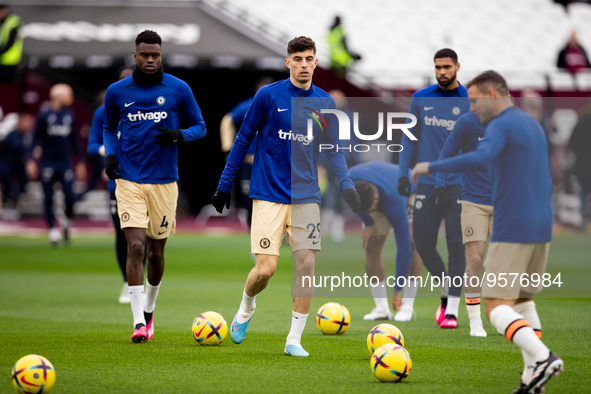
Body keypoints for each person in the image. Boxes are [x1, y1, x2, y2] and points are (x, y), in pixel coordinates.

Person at [412, 70, 564, 394]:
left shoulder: (501, 125)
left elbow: (481, 156)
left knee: (495, 306)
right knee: (523, 302)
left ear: (493, 95)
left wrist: (430, 167)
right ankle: (530, 381)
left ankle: (542, 356)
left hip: (514, 225)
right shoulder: (531, 123)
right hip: (541, 225)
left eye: (476, 101)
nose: (472, 109)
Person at [211, 36, 361, 357]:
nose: (304, 64)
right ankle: (247, 307)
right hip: (268, 193)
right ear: (288, 62)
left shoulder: (325, 103)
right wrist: (225, 183)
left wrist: (347, 185)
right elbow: (242, 138)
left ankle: (294, 339)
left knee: (306, 266)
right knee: (265, 269)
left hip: (307, 196)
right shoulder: (268, 96)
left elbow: (333, 152)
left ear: (316, 62)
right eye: (298, 59)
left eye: (309, 59)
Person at [103, 30, 207, 342]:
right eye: (145, 55)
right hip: (129, 181)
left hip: (164, 182)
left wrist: (179, 135)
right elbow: (109, 127)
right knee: (136, 247)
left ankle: (149, 309)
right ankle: (137, 322)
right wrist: (110, 157)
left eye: (155, 55)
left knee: (157, 253)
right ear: (135, 56)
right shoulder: (117, 92)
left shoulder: (178, 88)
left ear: (161, 56)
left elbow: (200, 127)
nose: (150, 60)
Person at [397, 48, 469, 329]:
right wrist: (403, 173)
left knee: (456, 245)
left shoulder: (469, 100)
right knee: (424, 244)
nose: (442, 72)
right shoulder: (420, 98)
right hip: (425, 184)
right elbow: (409, 139)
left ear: (457, 67)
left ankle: (452, 309)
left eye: (447, 67)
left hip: (458, 185)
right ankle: (445, 289)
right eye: (438, 67)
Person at [88, 65, 146, 304]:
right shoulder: (104, 112)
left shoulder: (149, 108)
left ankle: (145, 286)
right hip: (118, 183)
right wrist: (109, 154)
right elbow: (93, 144)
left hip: (148, 182)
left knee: (149, 239)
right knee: (124, 236)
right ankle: (127, 283)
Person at [436, 110, 491, 337]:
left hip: (506, 200)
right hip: (473, 201)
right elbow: (446, 153)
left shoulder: (513, 122)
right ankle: (475, 322)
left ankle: (500, 313)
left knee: (500, 261)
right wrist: (440, 184)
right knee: (474, 259)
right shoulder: (467, 121)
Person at [349, 161, 420, 321]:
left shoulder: (393, 201)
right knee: (372, 245)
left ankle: (407, 305)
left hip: (410, 189)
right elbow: (354, 204)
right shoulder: (346, 184)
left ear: (376, 198)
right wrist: (369, 223)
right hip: (377, 186)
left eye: (372, 209)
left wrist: (397, 290)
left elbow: (404, 249)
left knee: (411, 239)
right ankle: (382, 308)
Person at [28, 84, 86, 246]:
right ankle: (53, 231)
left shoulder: (70, 115)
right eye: (69, 95)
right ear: (58, 96)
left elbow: (75, 140)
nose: (71, 98)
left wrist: (80, 162)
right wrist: (31, 160)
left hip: (65, 163)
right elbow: (34, 139)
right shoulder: (44, 115)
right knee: (48, 198)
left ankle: (66, 223)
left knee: (70, 197)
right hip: (47, 162)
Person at [219, 77, 273, 224]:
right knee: (248, 201)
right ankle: (253, 234)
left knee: (271, 200)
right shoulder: (248, 106)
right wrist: (227, 147)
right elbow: (227, 120)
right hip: (249, 163)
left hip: (270, 165)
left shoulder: (280, 107)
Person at [0, 113, 33, 216]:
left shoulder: (27, 136)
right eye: (26, 122)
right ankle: (9, 197)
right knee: (5, 173)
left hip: (19, 164)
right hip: (6, 163)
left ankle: (15, 196)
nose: (28, 125)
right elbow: (19, 147)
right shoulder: (11, 135)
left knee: (26, 175)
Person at [568, 99, 591, 232]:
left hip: (582, 166)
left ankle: (584, 220)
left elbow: (572, 143)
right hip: (584, 165)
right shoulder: (580, 123)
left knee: (583, 194)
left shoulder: (580, 123)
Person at [0, 4, 23, 82]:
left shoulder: (13, 22)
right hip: (4, 59)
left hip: (10, 59)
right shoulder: (5, 22)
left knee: (7, 85)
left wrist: (1, 52)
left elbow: (10, 41)